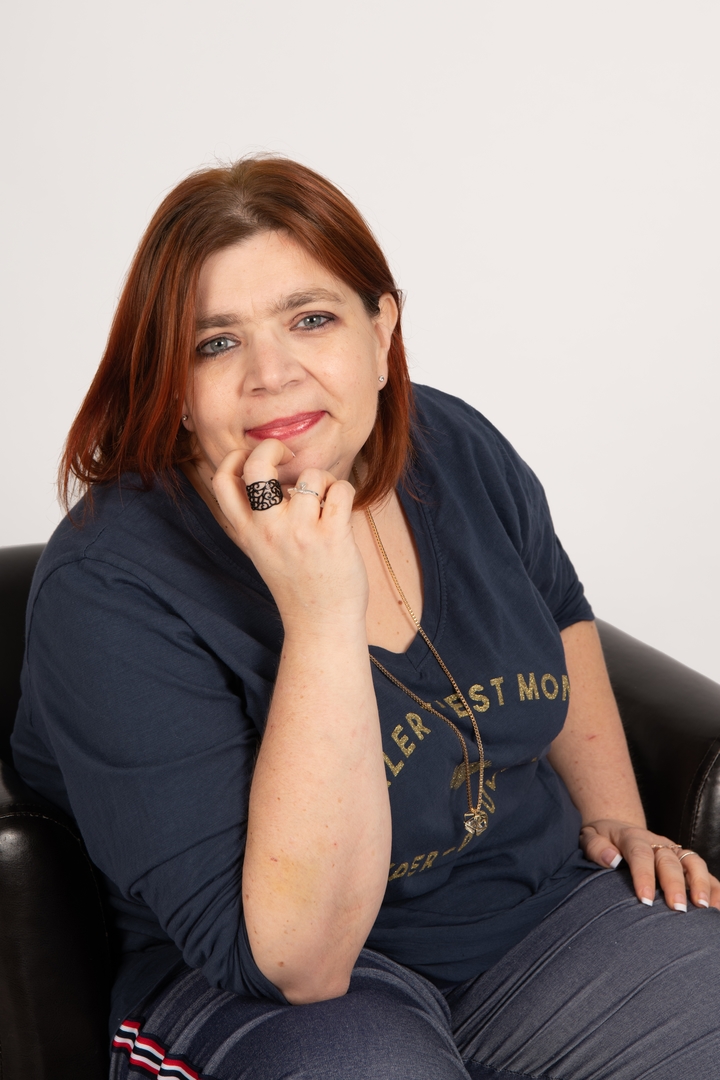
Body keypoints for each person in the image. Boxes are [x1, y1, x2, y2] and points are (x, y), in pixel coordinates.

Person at [12, 156, 720, 1080]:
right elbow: (297, 964)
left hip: (535, 922)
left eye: (311, 318)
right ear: (174, 385)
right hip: (268, 997)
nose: (272, 374)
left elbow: (558, 609)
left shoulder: (452, 445)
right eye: (215, 343)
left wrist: (617, 817)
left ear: (381, 331)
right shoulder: (108, 585)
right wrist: (319, 613)